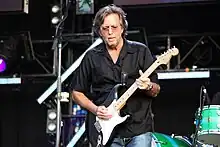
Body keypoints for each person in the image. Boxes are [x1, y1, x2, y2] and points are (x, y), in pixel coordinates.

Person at [70, 4, 160, 147]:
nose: (110, 32)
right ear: (100, 31)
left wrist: (147, 85)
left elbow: (156, 90)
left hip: (138, 128)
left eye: (114, 27)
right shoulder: (92, 57)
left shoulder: (140, 51)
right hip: (107, 132)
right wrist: (96, 109)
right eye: (105, 28)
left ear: (122, 28)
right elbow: (76, 92)